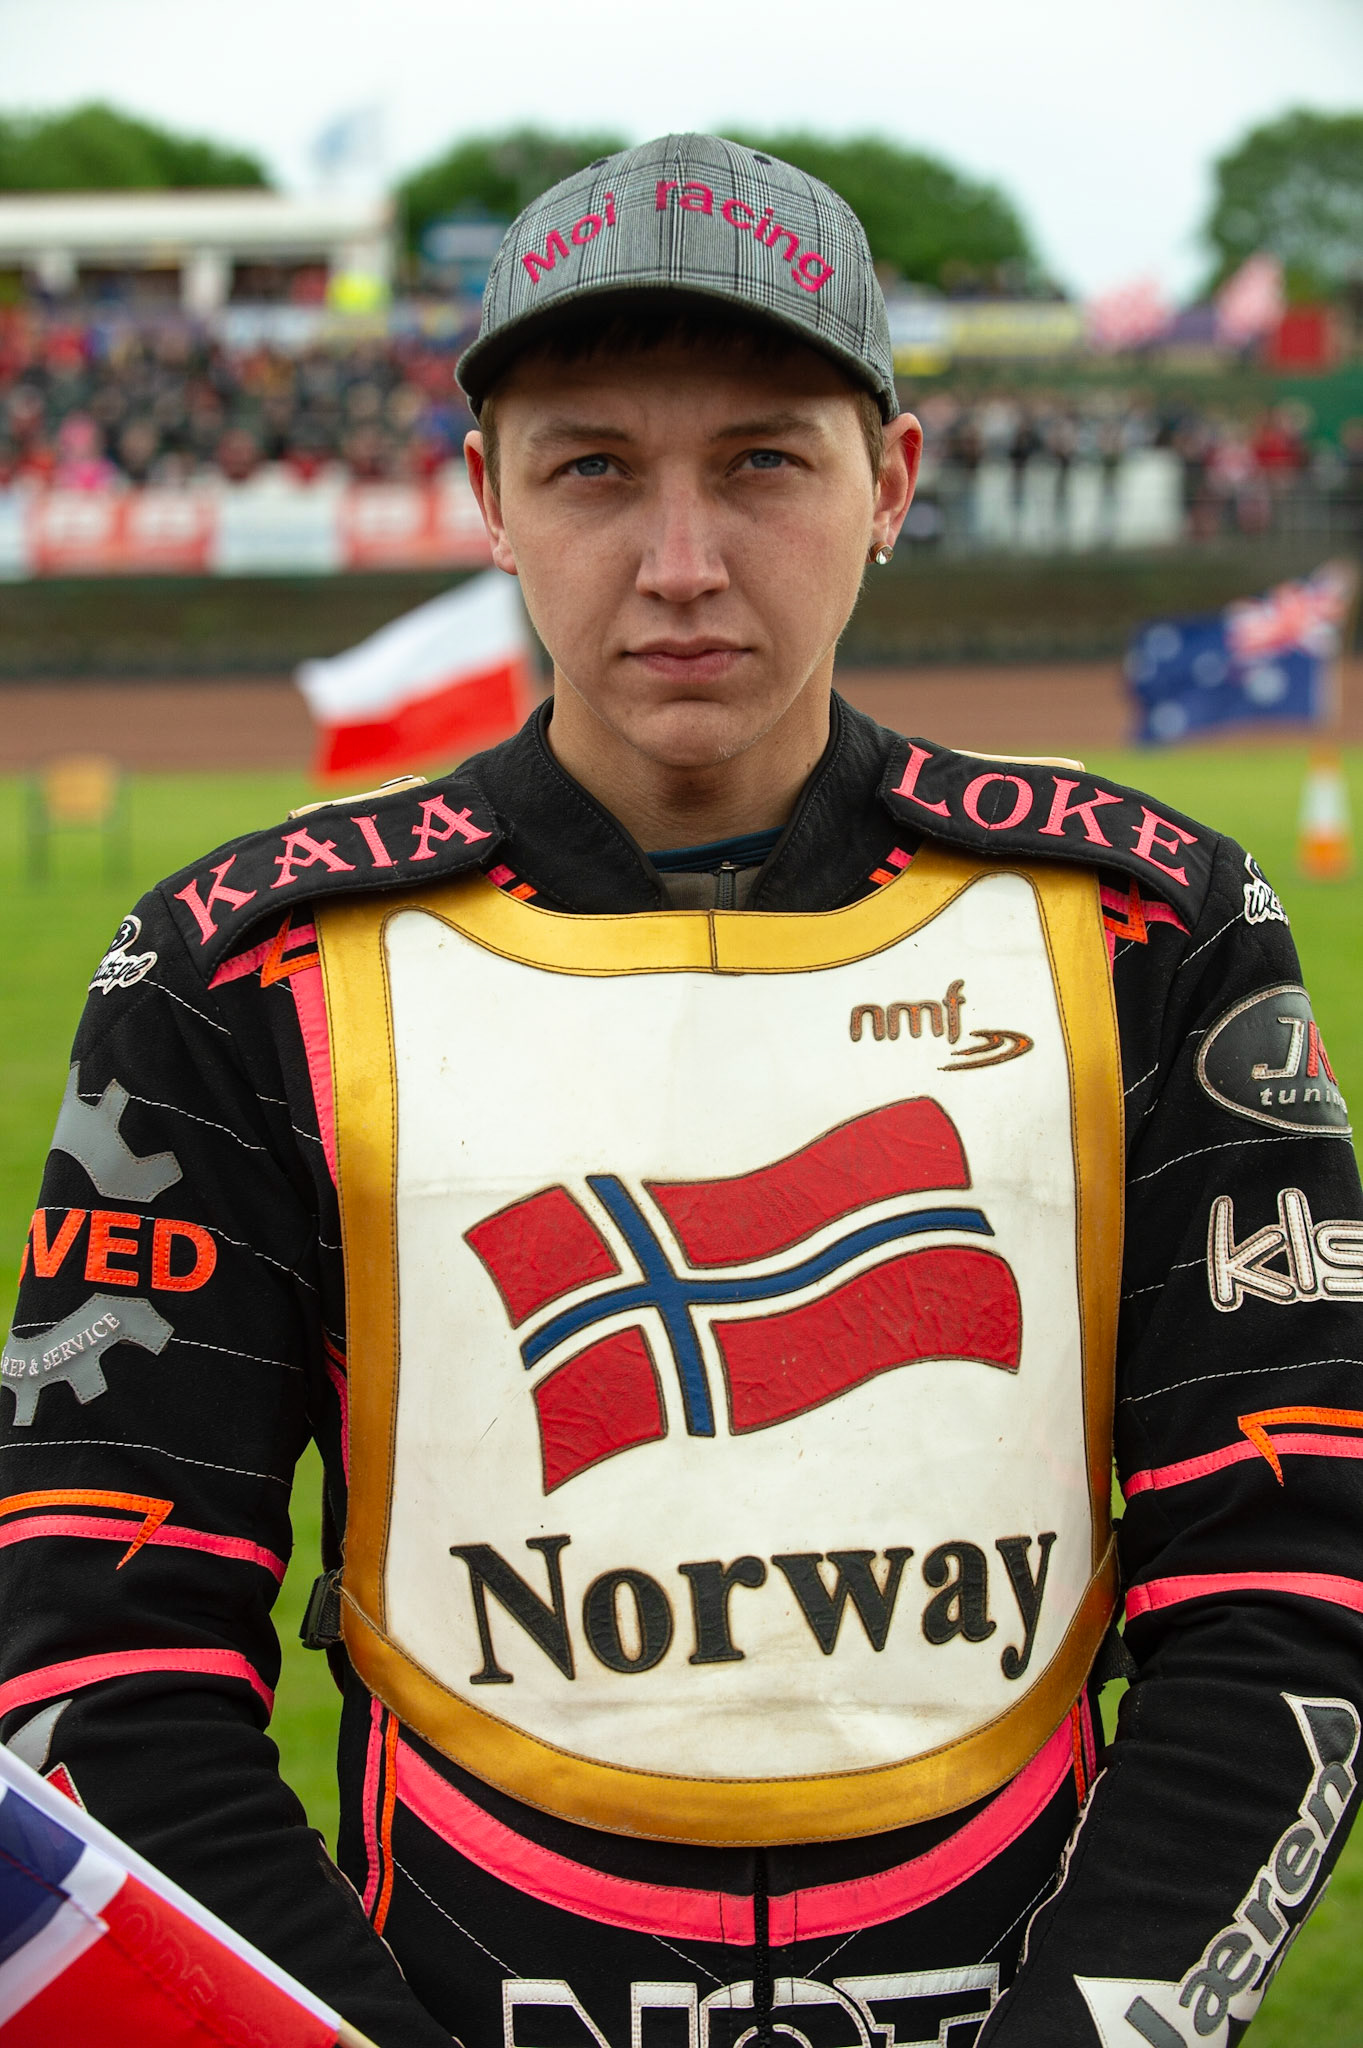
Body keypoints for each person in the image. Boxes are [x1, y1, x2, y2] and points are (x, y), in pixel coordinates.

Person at [3, 135, 1361, 2048]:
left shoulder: (1155, 930)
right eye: (593, 469)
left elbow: (1290, 1578)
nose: (681, 564)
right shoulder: (242, 969)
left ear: (890, 481)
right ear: (485, 495)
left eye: (762, 462)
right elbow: (108, 1648)